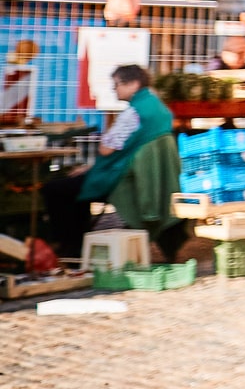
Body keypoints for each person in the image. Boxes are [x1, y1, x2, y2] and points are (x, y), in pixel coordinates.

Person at [42, 64, 172, 260]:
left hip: (121, 175)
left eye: (117, 84)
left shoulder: (133, 113)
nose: (114, 89)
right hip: (144, 175)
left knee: (56, 189)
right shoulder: (157, 107)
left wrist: (99, 152)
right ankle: (77, 245)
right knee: (73, 185)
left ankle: (72, 246)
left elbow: (106, 148)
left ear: (133, 84)